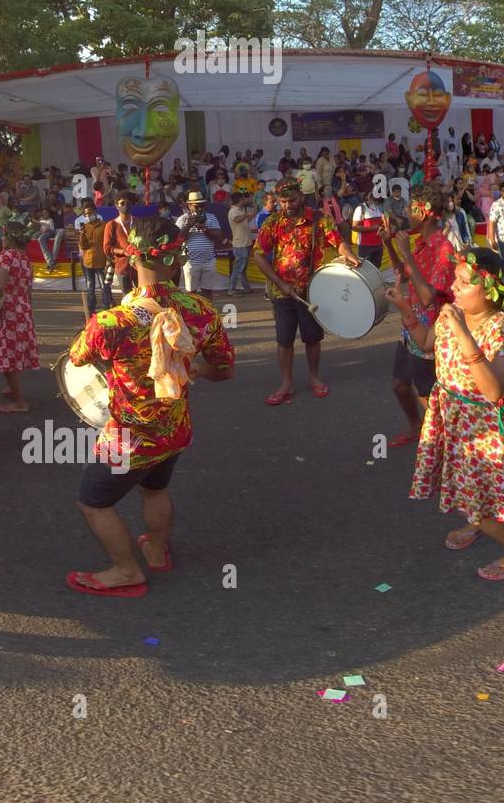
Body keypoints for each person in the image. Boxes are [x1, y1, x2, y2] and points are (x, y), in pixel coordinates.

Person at [61, 206, 235, 597]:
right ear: (177, 258)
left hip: (130, 435)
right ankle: (156, 552)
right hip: (174, 427)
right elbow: (225, 369)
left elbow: (76, 358)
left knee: (93, 503)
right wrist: (193, 369)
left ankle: (126, 570)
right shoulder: (201, 311)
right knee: (155, 489)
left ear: (132, 256)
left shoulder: (111, 322)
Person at [410, 247, 504, 581]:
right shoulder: (452, 314)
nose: (454, 287)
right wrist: (405, 310)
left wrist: (463, 332)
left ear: (489, 290)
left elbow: (492, 391)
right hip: (455, 419)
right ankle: (477, 519)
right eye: (455, 279)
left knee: (474, 496)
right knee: (469, 488)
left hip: (487, 429)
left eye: (464, 282)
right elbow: (427, 344)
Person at [382, 186, 463, 435]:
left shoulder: (443, 248)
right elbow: (403, 275)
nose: (407, 212)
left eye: (411, 207)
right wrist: (389, 244)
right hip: (411, 324)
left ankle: (442, 440)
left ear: (424, 211)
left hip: (430, 332)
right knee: (399, 385)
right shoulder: (420, 242)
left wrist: (406, 253)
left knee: (427, 393)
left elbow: (428, 297)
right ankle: (417, 427)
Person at [254, 182, 337, 406]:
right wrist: (279, 283)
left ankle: (314, 377)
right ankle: (286, 383)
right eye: (282, 201)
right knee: (284, 340)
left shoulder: (319, 219)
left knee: (312, 338)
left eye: (291, 200)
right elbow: (259, 255)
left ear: (301, 196)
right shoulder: (273, 222)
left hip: (312, 291)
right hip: (282, 294)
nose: (287, 205)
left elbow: (339, 242)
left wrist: (349, 254)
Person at [0, 218, 42, 415]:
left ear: (9, 238)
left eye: (4, 235)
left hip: (9, 310)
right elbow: (29, 290)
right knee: (16, 353)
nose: (2, 239)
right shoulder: (25, 258)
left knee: (7, 356)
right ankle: (12, 389)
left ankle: (19, 401)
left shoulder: (6, 256)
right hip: (23, 308)